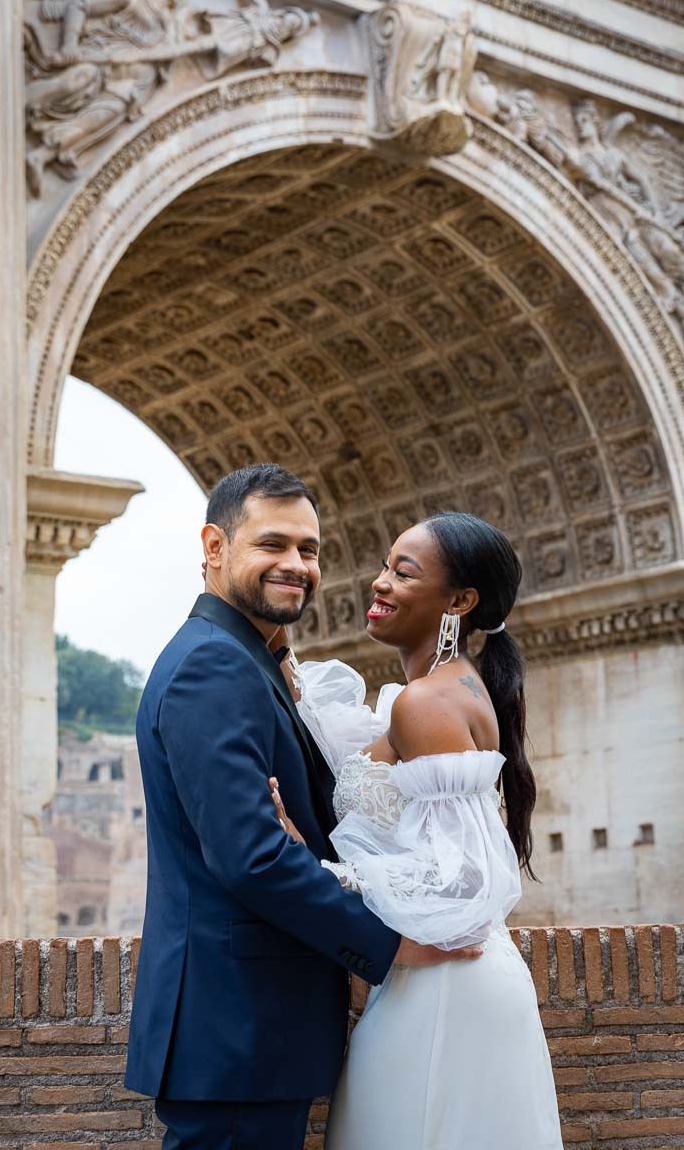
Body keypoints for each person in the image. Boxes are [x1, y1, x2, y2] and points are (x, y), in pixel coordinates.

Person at [125, 465, 481, 1150]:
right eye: (273, 545)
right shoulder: (214, 667)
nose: (296, 565)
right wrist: (391, 945)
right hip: (237, 1033)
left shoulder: (248, 660)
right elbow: (251, 857)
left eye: (309, 550)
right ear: (214, 547)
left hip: (249, 1034)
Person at [272, 511, 564, 1149]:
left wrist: (314, 868)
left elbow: (463, 880)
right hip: (437, 982)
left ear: (459, 601)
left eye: (403, 574)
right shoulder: (447, 690)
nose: (378, 583)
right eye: (384, 565)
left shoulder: (427, 702)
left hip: (445, 990)